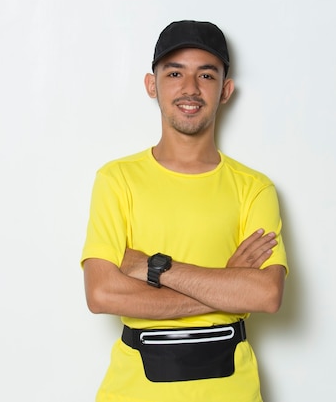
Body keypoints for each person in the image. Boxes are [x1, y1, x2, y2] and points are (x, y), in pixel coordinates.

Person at [81, 20, 288, 402]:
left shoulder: (254, 188)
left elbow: (266, 294)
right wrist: (226, 285)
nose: (190, 88)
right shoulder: (117, 180)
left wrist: (155, 268)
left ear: (225, 90)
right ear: (151, 84)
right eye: (174, 72)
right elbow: (102, 293)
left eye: (205, 75)